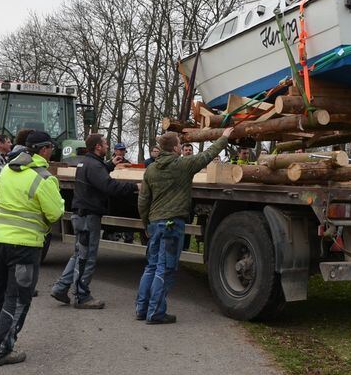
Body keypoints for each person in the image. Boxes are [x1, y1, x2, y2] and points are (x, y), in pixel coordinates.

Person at [0, 131, 64, 366]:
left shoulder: (6, 171)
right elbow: (55, 213)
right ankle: (1, 350)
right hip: (24, 246)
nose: (52, 151)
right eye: (50, 147)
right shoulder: (43, 178)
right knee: (17, 298)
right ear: (43, 150)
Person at [136, 128, 232, 324]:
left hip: (155, 223)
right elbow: (208, 155)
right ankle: (155, 313)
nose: (182, 147)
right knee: (165, 269)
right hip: (172, 224)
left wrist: (146, 223)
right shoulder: (182, 165)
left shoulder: (151, 169)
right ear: (174, 148)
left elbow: (143, 200)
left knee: (151, 266)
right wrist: (224, 138)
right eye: (180, 144)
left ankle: (141, 308)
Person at [50, 133, 138, 309]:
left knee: (79, 255)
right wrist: (134, 186)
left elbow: (98, 174)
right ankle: (82, 296)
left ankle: (61, 288)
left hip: (81, 215)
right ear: (98, 147)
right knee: (87, 257)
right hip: (88, 217)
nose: (107, 146)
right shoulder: (93, 165)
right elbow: (109, 186)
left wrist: (111, 164)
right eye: (105, 144)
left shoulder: (87, 162)